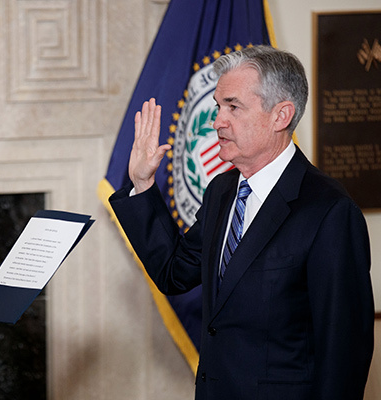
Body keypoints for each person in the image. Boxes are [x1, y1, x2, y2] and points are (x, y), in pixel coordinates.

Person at [109, 45, 374, 399]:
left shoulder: (329, 211)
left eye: (233, 107)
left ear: (281, 116)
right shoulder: (221, 190)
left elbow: (344, 354)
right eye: (218, 106)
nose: (217, 121)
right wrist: (142, 184)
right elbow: (174, 272)